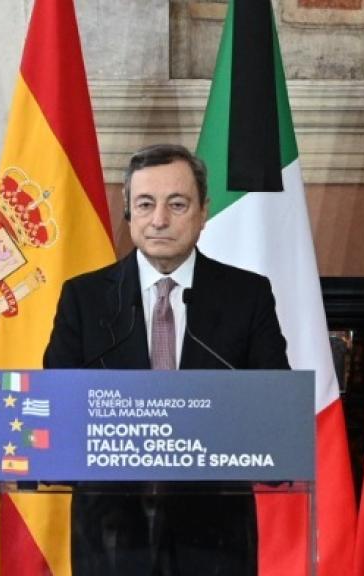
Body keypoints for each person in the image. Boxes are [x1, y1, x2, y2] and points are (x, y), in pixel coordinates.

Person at [43, 143, 289, 576]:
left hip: (215, 532)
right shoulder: (84, 298)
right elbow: (57, 410)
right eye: (145, 204)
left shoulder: (246, 297)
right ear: (129, 213)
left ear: (203, 211)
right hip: (111, 533)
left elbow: (274, 408)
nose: (159, 219)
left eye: (177, 204)